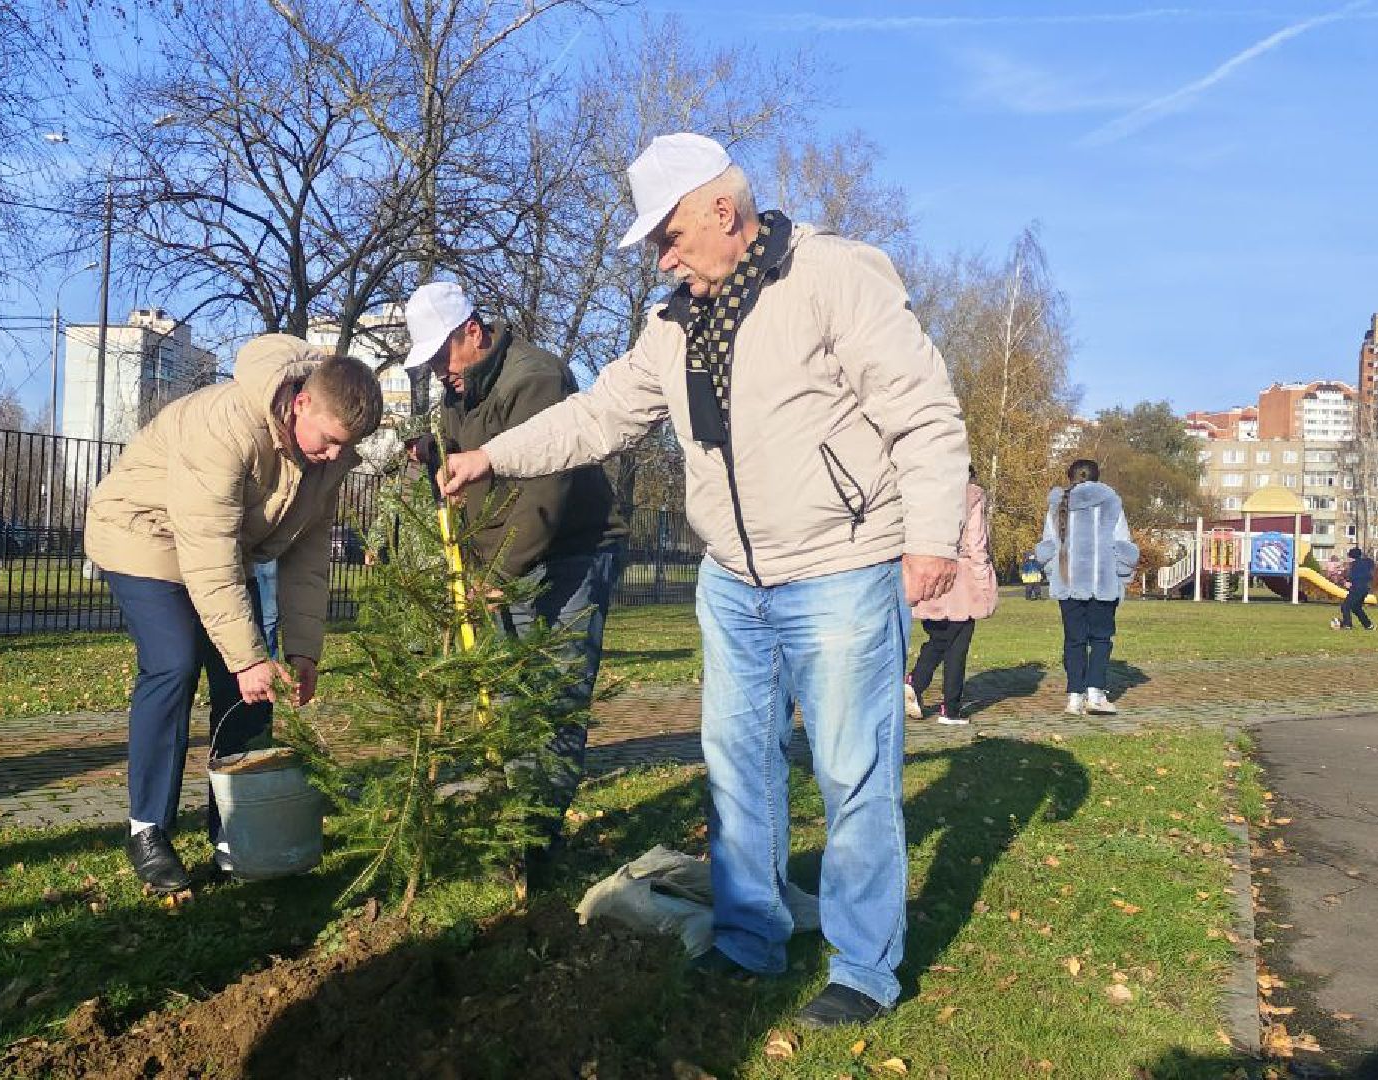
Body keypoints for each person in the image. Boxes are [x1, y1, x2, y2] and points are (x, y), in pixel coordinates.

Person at [439, 132, 969, 1028]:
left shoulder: (835, 278)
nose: (662, 254)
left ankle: (864, 968)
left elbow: (923, 409)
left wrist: (929, 537)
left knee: (852, 771)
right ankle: (752, 941)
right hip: (731, 581)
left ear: (724, 211)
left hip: (838, 567)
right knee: (736, 767)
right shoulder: (670, 325)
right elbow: (599, 415)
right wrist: (493, 452)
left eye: (670, 235)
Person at [85, 335, 382, 892]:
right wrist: (246, 654)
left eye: (349, 446)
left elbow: (309, 556)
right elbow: (207, 545)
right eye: (332, 441)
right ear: (301, 404)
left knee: (250, 687)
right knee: (174, 662)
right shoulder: (226, 425)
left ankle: (235, 819)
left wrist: (301, 650)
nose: (337, 456)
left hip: (223, 549)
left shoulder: (328, 456)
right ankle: (147, 828)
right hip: (142, 533)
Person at [402, 280, 629, 868]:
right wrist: (435, 455)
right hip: (504, 560)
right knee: (510, 691)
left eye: (439, 357)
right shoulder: (461, 389)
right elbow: (471, 470)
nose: (437, 373)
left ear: (471, 333)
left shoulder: (536, 378)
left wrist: (500, 573)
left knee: (554, 693)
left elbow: (543, 488)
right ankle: (516, 816)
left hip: (571, 550)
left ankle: (535, 839)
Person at [1034, 459, 1138, 717]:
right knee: (1101, 639)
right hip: (1103, 582)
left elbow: (1048, 545)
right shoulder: (1111, 501)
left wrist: (1052, 573)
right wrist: (1123, 575)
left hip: (1068, 583)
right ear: (1097, 476)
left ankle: (1074, 697)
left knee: (1074, 640)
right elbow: (1122, 544)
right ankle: (1096, 693)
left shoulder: (1059, 503)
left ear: (1070, 477)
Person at [904, 468, 997, 726]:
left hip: (929, 577)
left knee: (939, 638)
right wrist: (985, 586)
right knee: (957, 644)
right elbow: (977, 545)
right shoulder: (972, 498)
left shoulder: (922, 495)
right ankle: (946, 705)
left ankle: (917, 685)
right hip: (961, 581)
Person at [1332, 546, 1375, 630]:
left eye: (1348, 556)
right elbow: (1368, 576)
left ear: (1351, 557)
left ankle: (1347, 625)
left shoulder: (1355, 565)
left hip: (1357, 589)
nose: (1348, 558)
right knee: (1356, 608)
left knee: (1345, 606)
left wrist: (1347, 582)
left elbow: (1352, 579)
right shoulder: (1365, 563)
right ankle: (1368, 625)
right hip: (1365, 589)